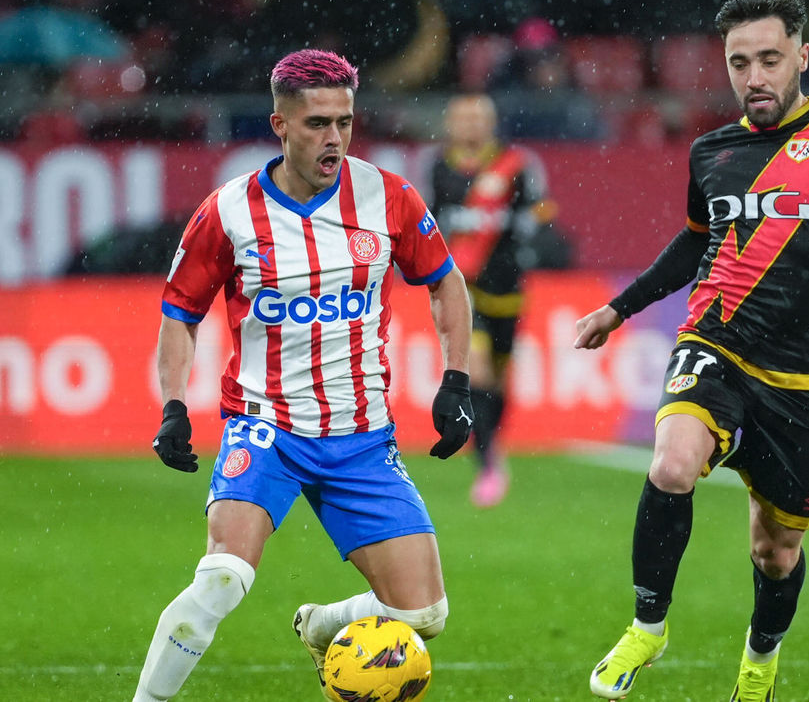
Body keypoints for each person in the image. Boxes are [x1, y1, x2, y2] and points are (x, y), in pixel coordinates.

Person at [573, 0, 809, 701]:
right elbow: (695, 243)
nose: (754, 76)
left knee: (774, 551)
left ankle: (758, 664)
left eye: (770, 59)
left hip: (806, 377)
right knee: (672, 462)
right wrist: (621, 307)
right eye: (739, 62)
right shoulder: (711, 152)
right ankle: (648, 625)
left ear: (802, 57)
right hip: (715, 339)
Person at [133, 49, 475, 702]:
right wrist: (173, 405)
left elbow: (446, 283)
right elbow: (179, 315)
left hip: (362, 438)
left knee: (424, 617)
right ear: (280, 125)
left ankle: (322, 624)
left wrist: (455, 378)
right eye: (318, 123)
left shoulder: (389, 196)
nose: (335, 138)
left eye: (345, 122)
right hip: (266, 431)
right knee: (222, 577)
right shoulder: (228, 212)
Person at [429, 92, 558, 507]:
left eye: (478, 117)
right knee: (477, 372)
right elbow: (425, 222)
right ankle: (487, 466)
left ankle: (491, 444)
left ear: (491, 122)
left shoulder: (518, 166)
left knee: (500, 381)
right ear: (450, 124)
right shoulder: (436, 169)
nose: (470, 125)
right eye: (462, 117)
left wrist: (528, 235)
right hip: (462, 288)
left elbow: (540, 214)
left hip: (508, 287)